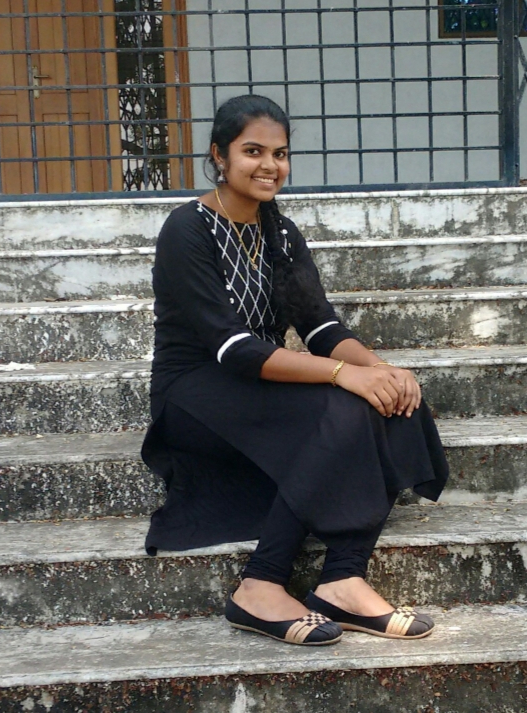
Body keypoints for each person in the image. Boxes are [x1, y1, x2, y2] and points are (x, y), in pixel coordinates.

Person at [141, 94, 449, 646]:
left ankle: (343, 580)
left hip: (263, 381)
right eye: (253, 151)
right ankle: (259, 586)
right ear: (219, 155)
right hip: (196, 392)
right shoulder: (187, 229)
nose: (270, 165)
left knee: (395, 400)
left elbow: (321, 327)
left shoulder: (280, 232)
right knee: (345, 405)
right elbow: (233, 349)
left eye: (280, 154)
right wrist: (341, 375)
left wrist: (382, 370)